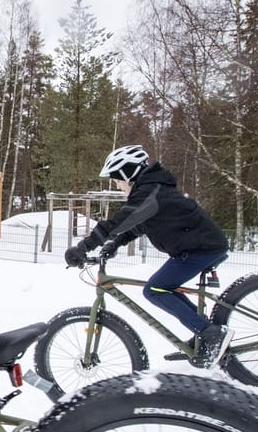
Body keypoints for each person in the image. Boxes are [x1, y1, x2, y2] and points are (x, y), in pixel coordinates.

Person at [65, 144, 232, 367]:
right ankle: (205, 332)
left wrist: (85, 246)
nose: (117, 185)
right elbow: (141, 224)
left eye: (117, 180)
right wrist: (116, 244)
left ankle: (209, 333)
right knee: (164, 287)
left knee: (155, 290)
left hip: (201, 249)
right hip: (200, 247)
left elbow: (121, 221)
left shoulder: (151, 192)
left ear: (128, 174)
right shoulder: (154, 189)